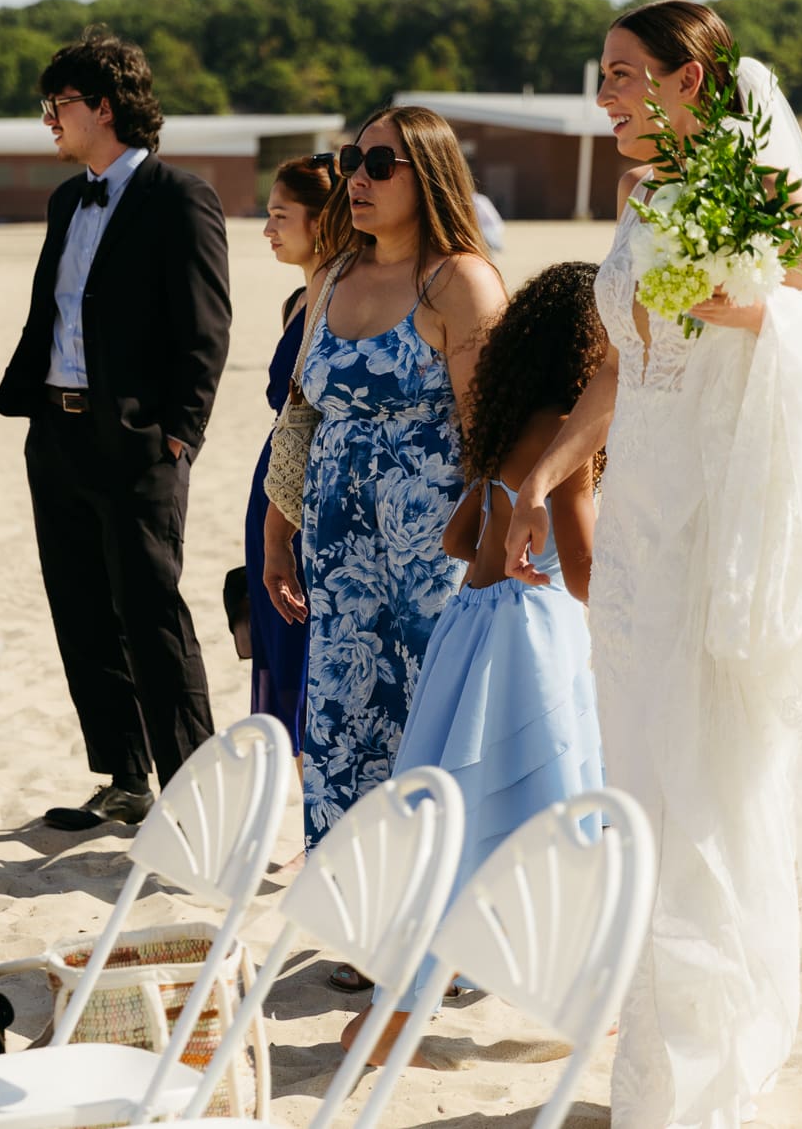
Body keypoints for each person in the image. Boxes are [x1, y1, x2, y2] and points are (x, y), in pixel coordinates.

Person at [503, 0, 802, 1128]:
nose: (602, 96)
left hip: (722, 532)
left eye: (618, 74)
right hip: (640, 531)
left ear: (686, 84)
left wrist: (758, 318)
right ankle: (684, 1049)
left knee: (714, 789)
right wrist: (539, 481)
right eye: (599, 75)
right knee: (643, 786)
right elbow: (624, 373)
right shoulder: (635, 193)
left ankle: (688, 1078)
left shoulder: (762, 188)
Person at [262, 106, 506, 990]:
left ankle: (447, 941)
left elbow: (494, 440)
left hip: (433, 554)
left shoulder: (462, 284)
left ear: (429, 175)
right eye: (349, 160)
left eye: (379, 163)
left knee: (432, 735)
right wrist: (275, 532)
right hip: (338, 550)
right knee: (341, 728)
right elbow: (301, 412)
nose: (357, 178)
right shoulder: (332, 277)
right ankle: (371, 930)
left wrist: (486, 554)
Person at [342, 260, 609, 1063]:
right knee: (545, 809)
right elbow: (586, 564)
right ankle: (584, 987)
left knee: (456, 809)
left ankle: (403, 995)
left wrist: (498, 537)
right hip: (533, 636)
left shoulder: (501, 427)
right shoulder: (565, 435)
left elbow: (460, 539)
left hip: (469, 627)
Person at [0, 30, 231, 831]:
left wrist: (178, 438)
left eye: (57, 105)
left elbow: (207, 331)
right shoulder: (68, 199)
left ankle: (198, 798)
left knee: (152, 616)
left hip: (137, 445)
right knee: (83, 613)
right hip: (57, 436)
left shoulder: (180, 197)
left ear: (103, 106)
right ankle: (127, 778)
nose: (48, 121)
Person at [243, 155, 334, 762]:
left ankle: (316, 821)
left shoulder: (338, 297)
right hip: (274, 476)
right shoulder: (295, 301)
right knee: (280, 644)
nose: (268, 229)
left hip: (308, 486)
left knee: (309, 648)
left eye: (281, 216)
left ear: (322, 222)